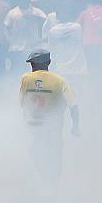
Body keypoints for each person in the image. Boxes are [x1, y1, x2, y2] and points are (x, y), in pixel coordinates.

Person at [19, 49, 79, 179]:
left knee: (35, 155)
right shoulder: (60, 80)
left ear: (33, 65)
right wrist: (75, 125)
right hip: (53, 127)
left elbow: (22, 103)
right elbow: (73, 104)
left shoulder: (25, 79)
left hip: (32, 127)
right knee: (54, 158)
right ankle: (52, 185)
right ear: (49, 62)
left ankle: (40, 183)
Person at [4, 0, 46, 74]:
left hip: (32, 49)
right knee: (16, 72)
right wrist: (9, 41)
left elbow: (45, 24)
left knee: (32, 72)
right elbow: (6, 28)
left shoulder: (37, 13)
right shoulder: (12, 13)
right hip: (16, 49)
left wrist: (40, 40)